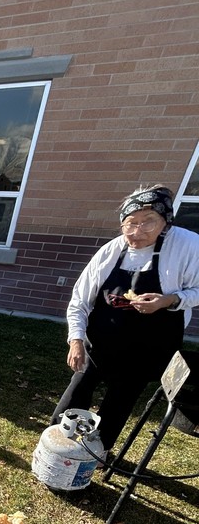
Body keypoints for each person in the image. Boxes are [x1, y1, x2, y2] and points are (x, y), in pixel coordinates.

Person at [51, 185, 199, 454]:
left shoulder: (188, 246)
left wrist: (169, 300)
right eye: (130, 223)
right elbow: (80, 300)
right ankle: (56, 446)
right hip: (100, 343)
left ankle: (98, 452)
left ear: (165, 221)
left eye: (148, 223)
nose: (137, 232)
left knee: (120, 400)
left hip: (149, 347)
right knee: (76, 393)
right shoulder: (111, 251)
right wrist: (76, 341)